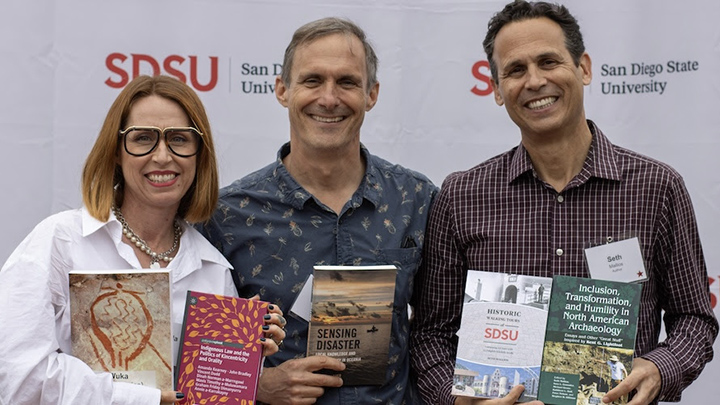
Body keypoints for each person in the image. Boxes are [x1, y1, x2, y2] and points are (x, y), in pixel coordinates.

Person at [409, 2, 718, 405]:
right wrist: (455, 400)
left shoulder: (656, 187)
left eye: (548, 61)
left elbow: (694, 320)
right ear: (497, 89)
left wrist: (661, 367)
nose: (534, 81)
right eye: (515, 70)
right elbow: (429, 335)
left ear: (584, 68)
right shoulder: (462, 196)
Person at [0, 75, 285, 405]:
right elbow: (16, 378)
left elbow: (211, 397)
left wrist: (245, 360)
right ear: (116, 153)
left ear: (199, 154)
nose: (163, 156)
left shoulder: (212, 269)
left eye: (179, 139)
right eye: (142, 138)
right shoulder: (61, 242)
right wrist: (140, 398)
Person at [200, 17, 437, 404]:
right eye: (312, 81)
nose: (329, 98)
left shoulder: (416, 199)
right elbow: (203, 360)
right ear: (282, 90)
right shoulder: (227, 215)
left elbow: (438, 332)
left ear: (372, 94)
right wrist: (259, 386)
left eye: (347, 82)